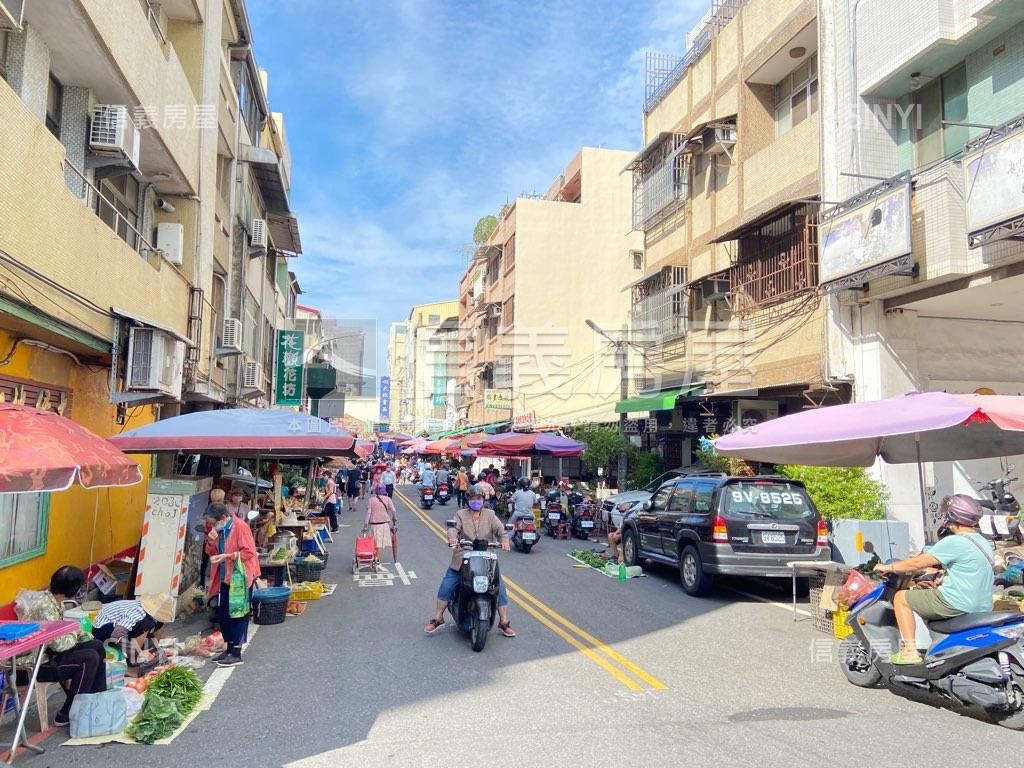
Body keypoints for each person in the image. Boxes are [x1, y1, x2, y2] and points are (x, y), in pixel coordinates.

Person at [874, 494, 994, 664]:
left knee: (901, 598)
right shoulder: (982, 541)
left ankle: (909, 651)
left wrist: (887, 567)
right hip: (982, 605)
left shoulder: (955, 541)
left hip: (958, 602)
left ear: (951, 516)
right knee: (927, 595)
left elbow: (916, 563)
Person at [15, 566, 106, 727]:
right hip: (35, 664)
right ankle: (67, 713)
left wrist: (79, 634)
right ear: (72, 590)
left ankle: (96, 699)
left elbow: (62, 638)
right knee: (89, 658)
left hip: (47, 654)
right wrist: (74, 631)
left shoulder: (53, 600)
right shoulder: (46, 608)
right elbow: (58, 645)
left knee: (97, 645)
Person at [424, 485, 516, 638]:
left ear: (483, 499)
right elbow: (453, 528)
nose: (476, 501)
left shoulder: (490, 514)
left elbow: (501, 530)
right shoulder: (460, 514)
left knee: (500, 588)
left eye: (479, 498)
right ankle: (438, 618)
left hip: (486, 558)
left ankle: (504, 622)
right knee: (447, 585)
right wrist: (452, 538)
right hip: (463, 556)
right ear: (468, 499)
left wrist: (505, 540)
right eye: (473, 498)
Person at [204, 503, 260, 667]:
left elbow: (249, 552)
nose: (213, 526)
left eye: (214, 523)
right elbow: (210, 552)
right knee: (225, 614)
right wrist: (211, 541)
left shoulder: (240, 527)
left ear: (222, 518)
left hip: (239, 578)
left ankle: (236, 652)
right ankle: (228, 649)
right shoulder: (221, 531)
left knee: (238, 613)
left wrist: (227, 556)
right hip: (225, 577)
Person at [92, 595, 173, 665]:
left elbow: (149, 634)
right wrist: (138, 653)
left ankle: (138, 654)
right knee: (146, 623)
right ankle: (133, 661)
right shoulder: (139, 612)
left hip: (116, 627)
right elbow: (117, 635)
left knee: (153, 625)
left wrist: (156, 651)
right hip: (102, 631)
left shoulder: (150, 616)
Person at [363, 483, 398, 565]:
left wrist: (365, 524)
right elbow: (393, 510)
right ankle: (376, 558)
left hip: (373, 524)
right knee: (380, 543)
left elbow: (368, 513)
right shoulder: (388, 499)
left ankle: (374, 557)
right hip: (384, 524)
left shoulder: (371, 500)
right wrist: (394, 518)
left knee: (373, 542)